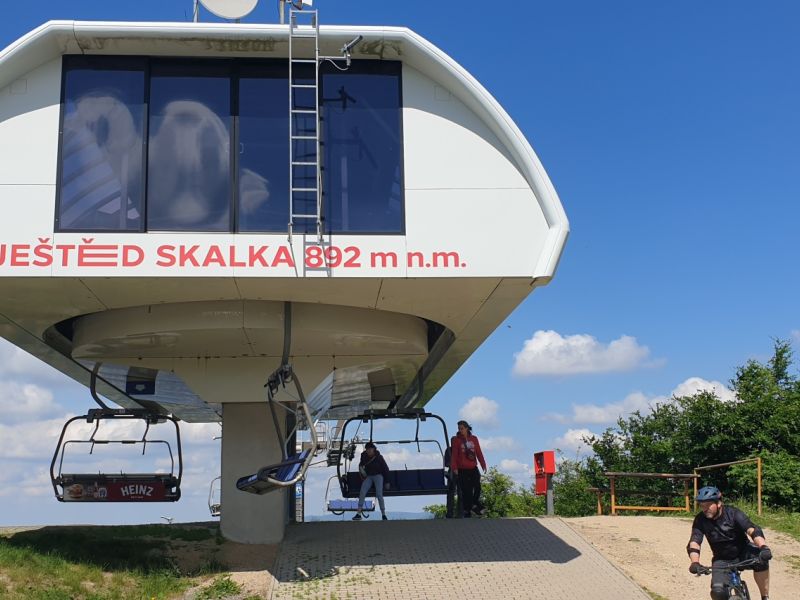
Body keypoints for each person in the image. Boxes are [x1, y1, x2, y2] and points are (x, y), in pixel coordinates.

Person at [687, 486, 772, 600]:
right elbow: (695, 541)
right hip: (722, 559)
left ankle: (765, 596)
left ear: (719, 503)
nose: (705, 509)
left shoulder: (733, 513)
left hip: (743, 552)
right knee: (717, 593)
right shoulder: (700, 519)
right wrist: (695, 562)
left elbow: (752, 530)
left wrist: (763, 547)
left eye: (708, 505)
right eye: (702, 505)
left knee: (761, 561)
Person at [450, 420, 487, 518]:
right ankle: (468, 510)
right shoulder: (456, 440)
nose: (460, 430)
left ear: (466, 428)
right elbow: (454, 455)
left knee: (477, 487)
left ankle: (474, 504)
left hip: (473, 468)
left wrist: (483, 464)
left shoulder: (474, 439)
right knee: (467, 490)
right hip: (462, 469)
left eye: (462, 428)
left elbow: (478, 452)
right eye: (459, 429)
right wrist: (454, 467)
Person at [353, 442, 390, 521]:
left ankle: (383, 514)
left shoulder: (379, 457)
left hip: (378, 475)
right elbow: (361, 465)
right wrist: (362, 471)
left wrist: (387, 481)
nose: (369, 451)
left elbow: (385, 469)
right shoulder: (364, 456)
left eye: (370, 449)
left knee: (379, 494)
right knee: (362, 492)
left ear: (373, 449)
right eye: (367, 449)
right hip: (369, 476)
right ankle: (358, 513)